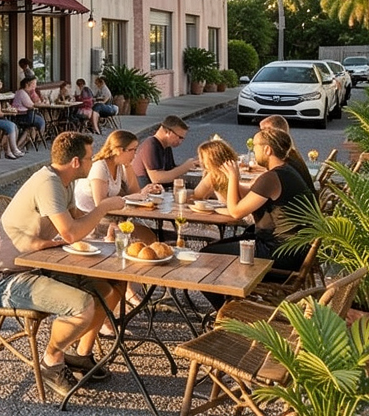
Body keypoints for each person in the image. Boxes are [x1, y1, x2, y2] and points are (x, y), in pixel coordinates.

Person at [0, 132, 127, 397]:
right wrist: (103, 208)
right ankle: (52, 360)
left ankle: (80, 355)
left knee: (108, 289)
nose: (94, 162)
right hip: (2, 278)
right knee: (82, 305)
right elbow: (70, 233)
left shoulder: (64, 181)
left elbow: (77, 218)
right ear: (76, 162)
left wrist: (107, 228)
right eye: (90, 158)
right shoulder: (48, 183)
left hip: (33, 264)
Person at [196, 130, 315, 310]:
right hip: (290, 250)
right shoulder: (285, 171)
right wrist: (228, 178)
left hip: (278, 254)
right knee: (214, 250)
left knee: (206, 258)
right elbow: (250, 193)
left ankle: (229, 313)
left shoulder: (272, 178)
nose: (253, 150)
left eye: (256, 146)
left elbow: (236, 211)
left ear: (267, 149)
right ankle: (234, 306)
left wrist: (233, 177)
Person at [72, 131, 160, 244]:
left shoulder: (118, 166)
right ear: (119, 150)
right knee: (146, 238)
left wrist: (128, 166)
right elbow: (100, 204)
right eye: (132, 150)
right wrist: (130, 197)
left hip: (111, 216)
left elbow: (135, 192)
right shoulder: (100, 167)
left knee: (150, 236)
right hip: (91, 219)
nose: (135, 154)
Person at [132, 116, 199, 187]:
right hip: (146, 190)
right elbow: (157, 178)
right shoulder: (151, 145)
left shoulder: (166, 146)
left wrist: (193, 165)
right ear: (168, 132)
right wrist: (185, 167)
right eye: (180, 137)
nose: (181, 141)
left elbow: (171, 170)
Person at [258, 115, 315, 186]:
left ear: (274, 133)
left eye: (263, 131)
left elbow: (270, 180)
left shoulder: (283, 158)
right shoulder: (289, 152)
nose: (260, 135)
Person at [12, 77, 48, 142]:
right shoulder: (22, 93)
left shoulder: (25, 92)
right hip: (22, 116)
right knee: (40, 121)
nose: (35, 86)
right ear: (27, 84)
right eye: (33, 84)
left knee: (39, 119)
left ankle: (32, 140)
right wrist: (42, 104)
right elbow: (31, 105)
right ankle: (38, 138)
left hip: (25, 115)